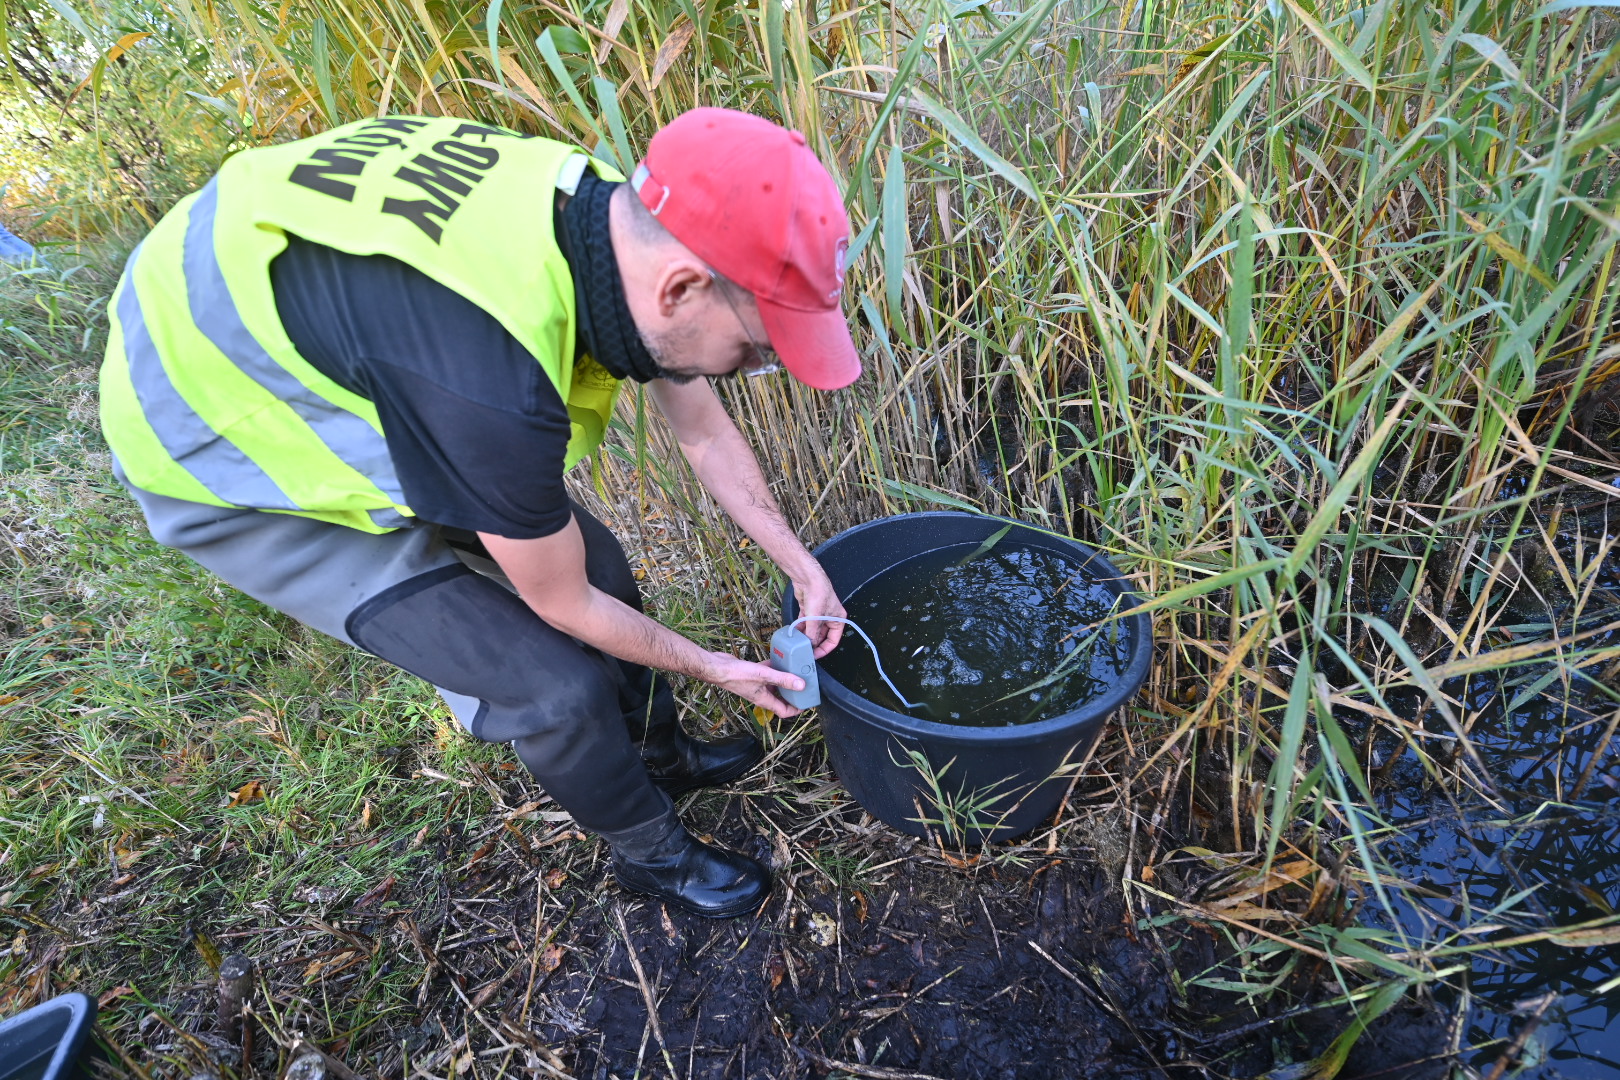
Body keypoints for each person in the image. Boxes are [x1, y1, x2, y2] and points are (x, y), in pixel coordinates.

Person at [97, 107, 857, 918]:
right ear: (681, 290)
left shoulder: (615, 223)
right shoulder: (487, 383)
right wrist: (716, 667)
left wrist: (804, 567)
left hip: (357, 347)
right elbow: (559, 604)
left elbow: (702, 432)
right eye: (757, 346)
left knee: (602, 569)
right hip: (223, 445)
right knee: (551, 687)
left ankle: (660, 756)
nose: (757, 363)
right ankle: (651, 855)